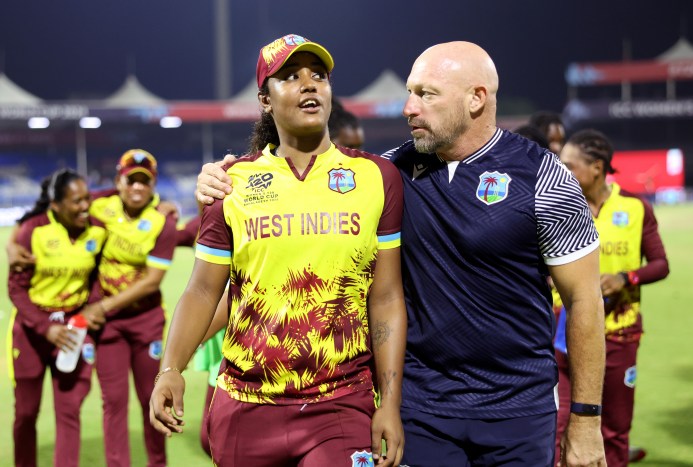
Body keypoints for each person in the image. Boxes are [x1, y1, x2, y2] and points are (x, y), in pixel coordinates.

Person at [195, 41, 607, 466]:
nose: (409, 107)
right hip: (420, 410)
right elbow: (286, 260)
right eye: (410, 92)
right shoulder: (386, 176)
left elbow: (585, 302)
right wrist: (219, 181)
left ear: (475, 99)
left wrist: (586, 420)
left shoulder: (544, 176)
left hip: (519, 410)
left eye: (426, 94)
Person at [149, 34, 407, 467]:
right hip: (245, 407)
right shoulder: (230, 183)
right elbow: (201, 291)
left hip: (342, 402)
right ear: (264, 99)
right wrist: (171, 367)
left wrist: (391, 403)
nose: (309, 85)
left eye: (318, 76)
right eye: (289, 77)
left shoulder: (376, 177)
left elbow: (385, 298)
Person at [557, 129, 670, 466]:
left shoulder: (635, 208)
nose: (563, 173)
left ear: (596, 167)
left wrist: (625, 278)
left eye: (570, 166)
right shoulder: (558, 205)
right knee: (558, 427)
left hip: (619, 334)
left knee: (615, 431)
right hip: (564, 335)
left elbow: (661, 264)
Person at [79, 149, 178, 467]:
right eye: (130, 180)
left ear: (153, 186)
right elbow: (69, 201)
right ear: (118, 182)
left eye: (144, 182)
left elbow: (151, 281)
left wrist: (102, 306)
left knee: (152, 398)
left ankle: (157, 463)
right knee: (114, 402)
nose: (137, 188)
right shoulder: (98, 207)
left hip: (145, 322)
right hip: (109, 328)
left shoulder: (161, 221)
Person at [7, 169, 107, 467]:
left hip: (74, 330)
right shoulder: (33, 231)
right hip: (32, 332)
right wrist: (44, 327)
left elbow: (98, 278)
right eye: (76, 201)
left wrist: (93, 306)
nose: (84, 207)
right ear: (56, 205)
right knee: (26, 413)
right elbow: (16, 289)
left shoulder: (98, 231)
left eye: (87, 199)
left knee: (69, 410)